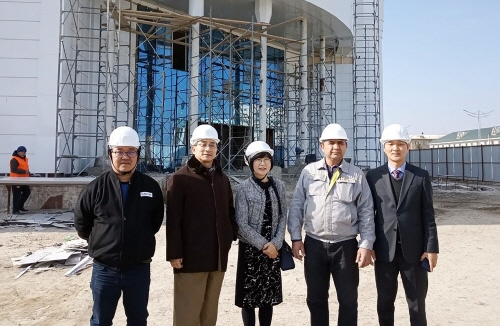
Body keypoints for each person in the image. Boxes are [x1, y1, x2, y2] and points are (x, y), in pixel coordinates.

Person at [74, 126, 165, 326]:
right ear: (110, 154)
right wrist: (104, 242)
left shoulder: (150, 187)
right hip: (105, 270)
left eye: (131, 151)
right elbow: (82, 224)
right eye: (119, 151)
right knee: (101, 321)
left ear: (138, 154)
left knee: (138, 320)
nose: (125, 156)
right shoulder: (95, 188)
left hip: (138, 269)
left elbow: (155, 222)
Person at [288, 123, 375, 326]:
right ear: (322, 146)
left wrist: (366, 243)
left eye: (340, 143)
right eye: (331, 143)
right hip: (314, 245)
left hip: (346, 246)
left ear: (346, 146)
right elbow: (297, 206)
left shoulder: (357, 175)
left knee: (348, 300)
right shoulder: (309, 172)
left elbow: (366, 211)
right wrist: (295, 238)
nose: (335, 147)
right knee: (316, 299)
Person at [366, 124, 439, 326]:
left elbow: (428, 215)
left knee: (416, 304)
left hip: (414, 253)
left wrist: (431, 249)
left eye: (400, 144)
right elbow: (368, 215)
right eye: (391, 144)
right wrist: (369, 245)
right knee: (384, 303)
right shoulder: (373, 177)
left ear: (408, 147)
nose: (395, 148)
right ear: (384, 147)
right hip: (383, 252)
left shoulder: (420, 176)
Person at [166, 124, 238, 326]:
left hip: (217, 258)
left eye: (212, 145)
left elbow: (229, 210)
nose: (208, 149)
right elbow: (173, 220)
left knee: (209, 313)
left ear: (217, 148)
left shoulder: (222, 179)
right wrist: (174, 253)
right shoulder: (179, 179)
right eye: (203, 144)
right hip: (190, 259)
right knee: (187, 314)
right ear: (193, 148)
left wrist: (229, 237)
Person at [234, 141, 287, 326]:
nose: (262, 163)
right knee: (248, 299)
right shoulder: (243, 188)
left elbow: (282, 216)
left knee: (267, 298)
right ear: (250, 162)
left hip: (273, 249)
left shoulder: (278, 185)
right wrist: (265, 246)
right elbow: (241, 223)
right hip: (251, 250)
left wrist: (276, 243)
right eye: (258, 160)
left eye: (266, 159)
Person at [10, 146, 31, 214]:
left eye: (24, 152)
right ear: (18, 152)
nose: (23, 153)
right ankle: (15, 210)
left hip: (24, 180)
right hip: (16, 180)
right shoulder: (14, 159)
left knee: (27, 192)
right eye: (21, 152)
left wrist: (29, 174)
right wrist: (25, 172)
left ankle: (20, 206)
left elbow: (25, 168)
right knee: (16, 195)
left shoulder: (25, 159)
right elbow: (13, 169)